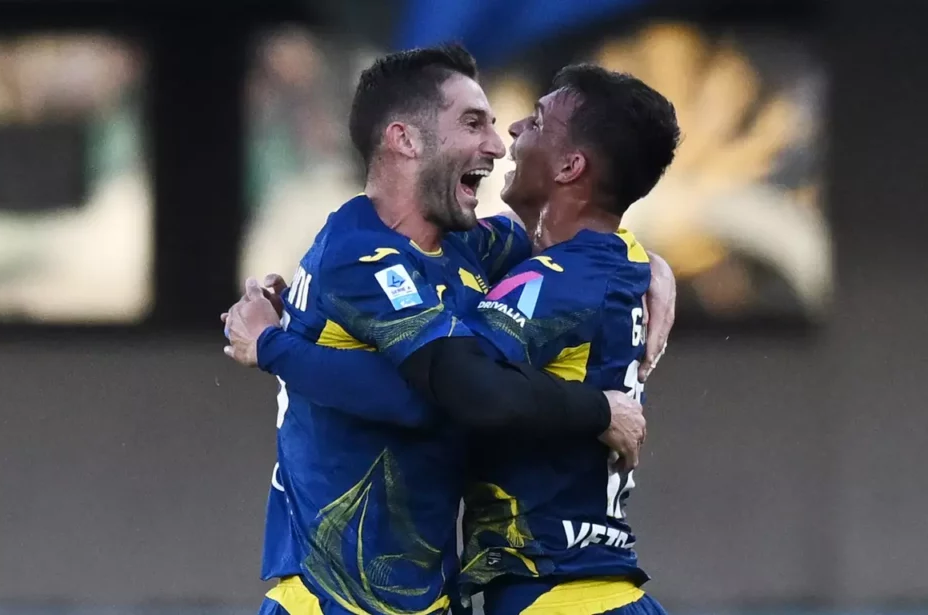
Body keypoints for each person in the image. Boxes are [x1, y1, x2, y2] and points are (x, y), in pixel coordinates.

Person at [221, 44, 647, 615]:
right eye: (473, 123)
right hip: (331, 601)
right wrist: (597, 409)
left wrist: (649, 268)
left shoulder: (468, 246)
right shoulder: (357, 254)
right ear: (405, 139)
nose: (496, 145)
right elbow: (438, 398)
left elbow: (575, 245)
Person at [452, 64, 680, 615]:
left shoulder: (558, 279)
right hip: (592, 589)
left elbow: (459, 381)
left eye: (535, 122)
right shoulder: (621, 257)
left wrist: (282, 346)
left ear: (570, 166)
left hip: (560, 597)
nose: (513, 130)